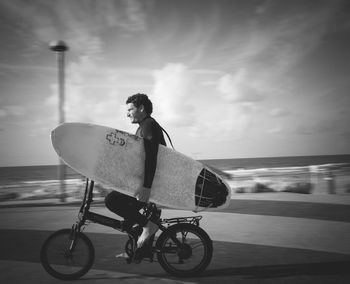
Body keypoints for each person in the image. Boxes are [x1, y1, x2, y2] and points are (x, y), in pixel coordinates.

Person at [105, 93, 166, 251]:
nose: (127, 113)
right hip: (146, 181)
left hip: (152, 183)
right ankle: (136, 250)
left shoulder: (148, 125)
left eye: (130, 109)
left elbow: (151, 158)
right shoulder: (142, 128)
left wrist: (146, 187)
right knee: (128, 221)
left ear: (141, 108)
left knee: (112, 200)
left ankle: (149, 226)